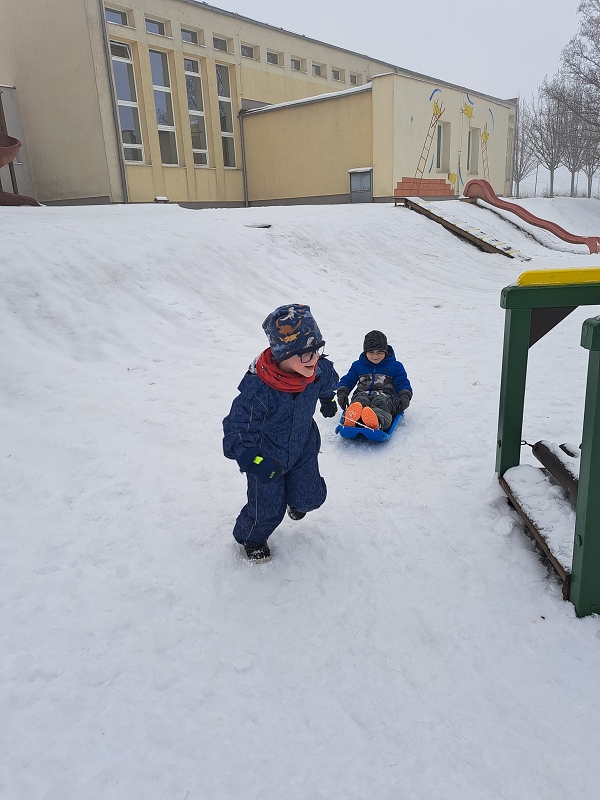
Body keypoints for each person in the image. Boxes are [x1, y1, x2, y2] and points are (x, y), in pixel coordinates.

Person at [223, 304, 339, 562]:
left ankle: (296, 501)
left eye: (316, 350)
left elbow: (329, 379)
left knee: (310, 498)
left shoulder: (317, 371)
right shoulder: (260, 391)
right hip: (267, 456)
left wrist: (328, 400)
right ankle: (251, 539)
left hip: (303, 446)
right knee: (267, 511)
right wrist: (255, 461)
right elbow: (236, 432)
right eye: (305, 354)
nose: (314, 359)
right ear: (283, 354)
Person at [336, 330, 412, 431]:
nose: (375, 356)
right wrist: (342, 392)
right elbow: (348, 380)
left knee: (380, 402)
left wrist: (405, 396)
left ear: (385, 351)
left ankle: (376, 421)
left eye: (379, 352)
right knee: (359, 402)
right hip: (362, 394)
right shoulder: (358, 365)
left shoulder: (395, 367)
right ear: (365, 352)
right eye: (371, 352)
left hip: (386, 398)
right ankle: (352, 417)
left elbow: (402, 383)